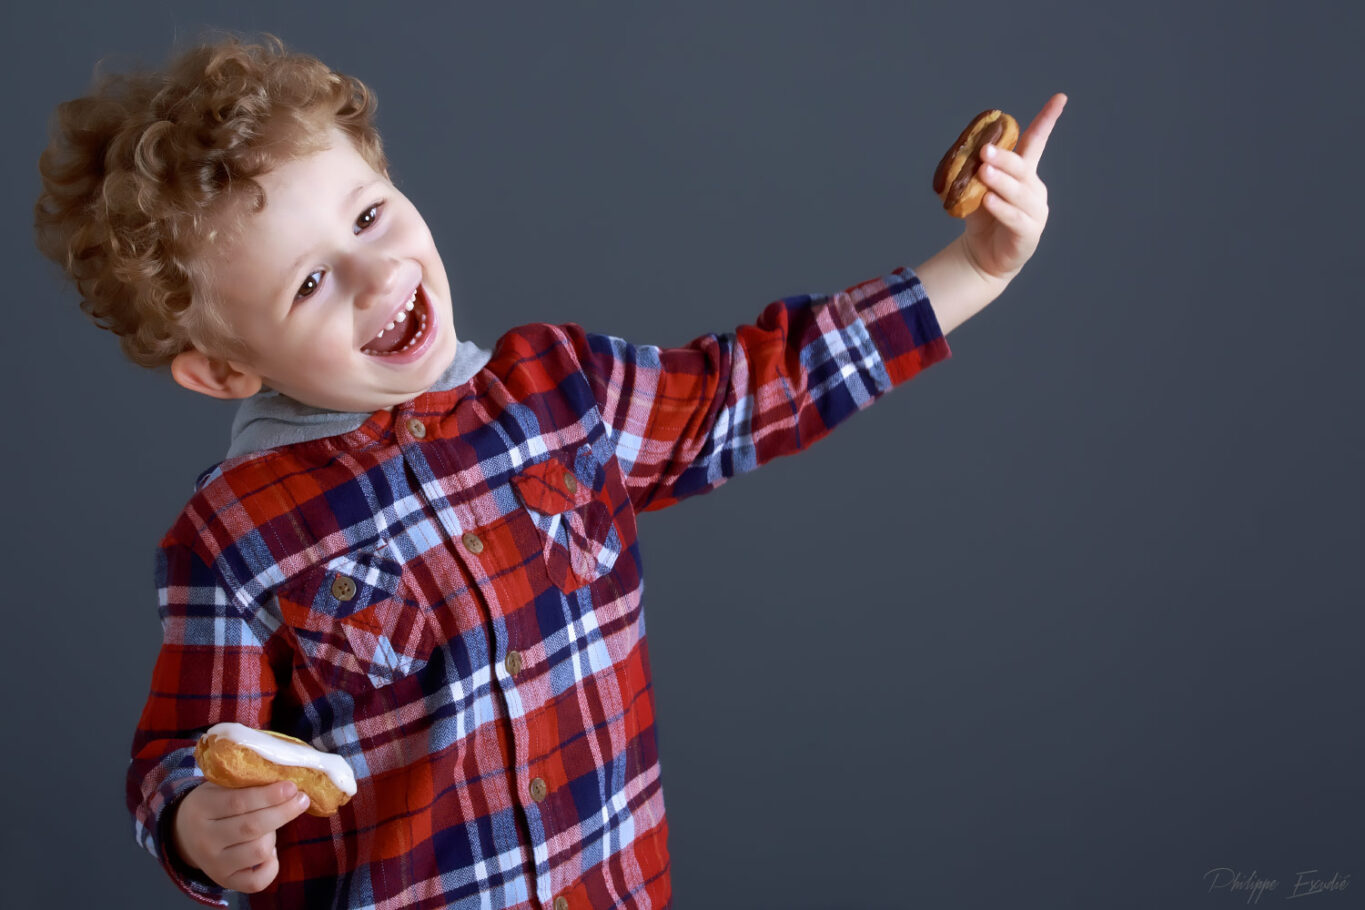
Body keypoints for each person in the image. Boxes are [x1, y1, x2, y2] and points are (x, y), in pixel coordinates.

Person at [34, 32, 1066, 910]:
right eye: (308, 282)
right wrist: (197, 824)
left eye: (367, 215)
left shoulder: (561, 390)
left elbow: (765, 383)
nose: (375, 273)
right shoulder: (234, 537)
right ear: (223, 367)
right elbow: (178, 752)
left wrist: (973, 266)